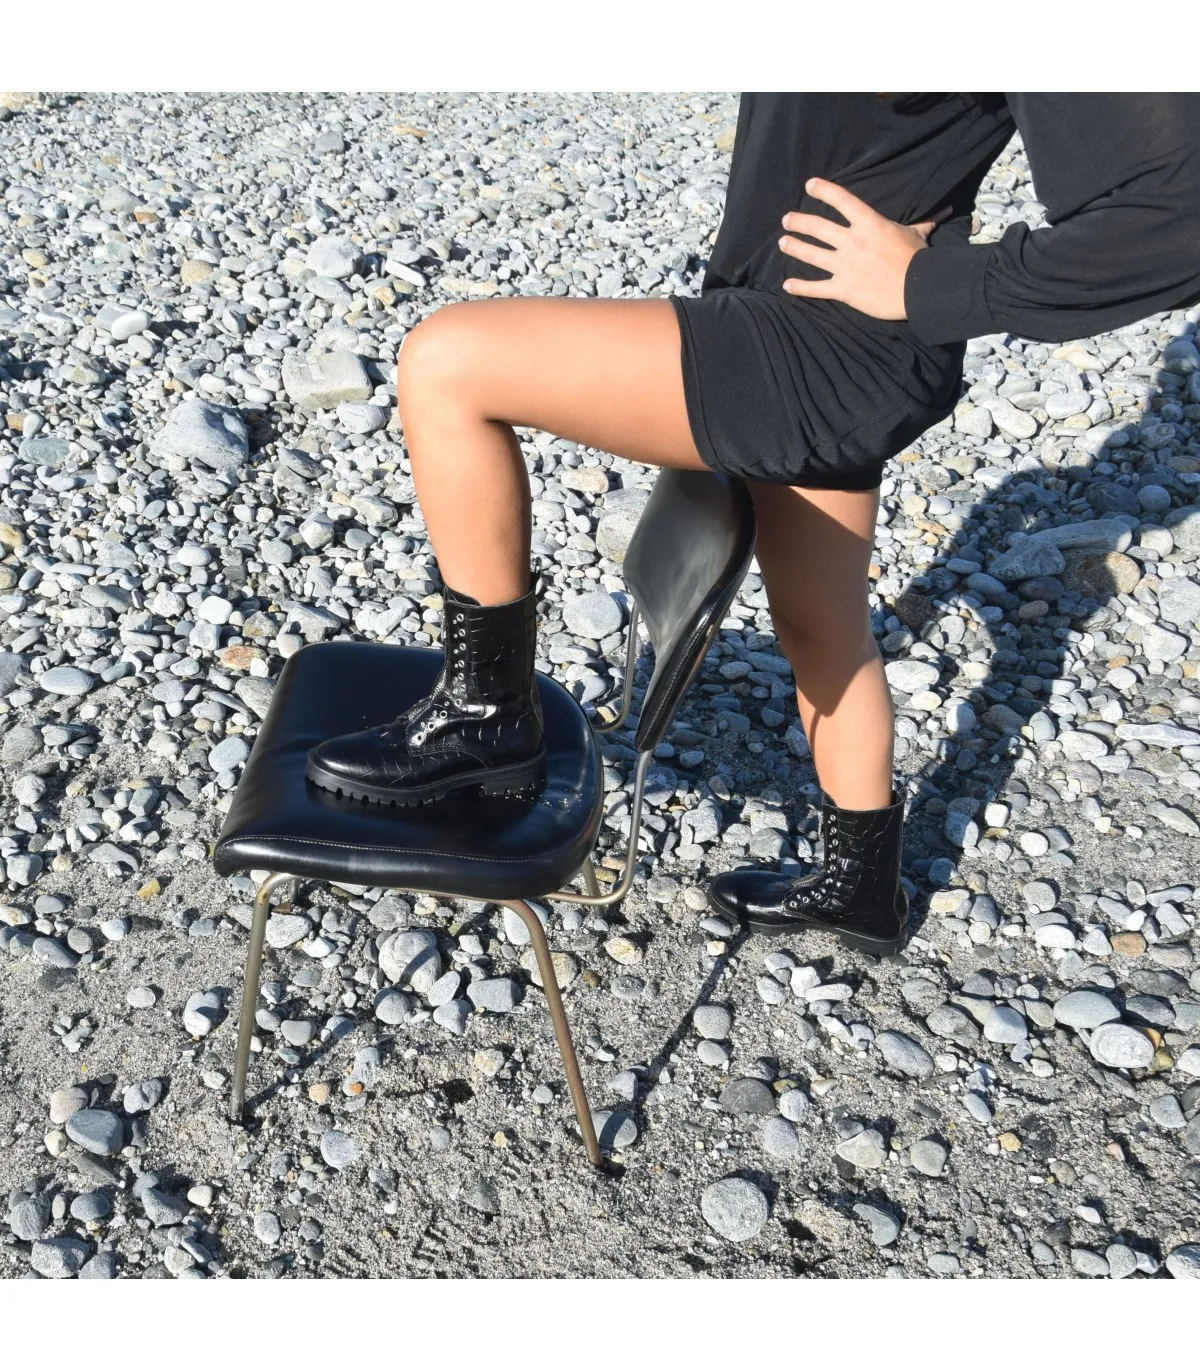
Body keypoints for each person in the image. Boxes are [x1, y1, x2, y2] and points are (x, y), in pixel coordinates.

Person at [305, 92, 1200, 956]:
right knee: (821, 624)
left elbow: (1174, 218)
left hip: (824, 348)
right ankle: (863, 888)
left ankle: (484, 713)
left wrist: (937, 283)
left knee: (445, 361)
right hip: (801, 324)